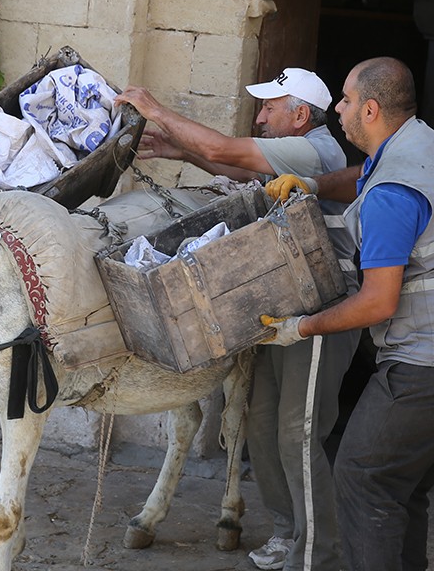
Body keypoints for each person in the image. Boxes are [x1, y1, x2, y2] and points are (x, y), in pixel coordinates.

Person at [259, 57, 434, 571]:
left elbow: (377, 302)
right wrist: (315, 186)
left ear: (369, 109)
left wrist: (299, 327)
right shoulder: (416, 143)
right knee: (400, 489)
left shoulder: (394, 197)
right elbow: (364, 175)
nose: (338, 110)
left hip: (431, 367)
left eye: (345, 101)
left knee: (363, 477)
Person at [117, 67, 358, 571]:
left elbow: (229, 152)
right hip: (286, 302)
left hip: (326, 305)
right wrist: (180, 152)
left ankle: (318, 550)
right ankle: (286, 531)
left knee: (299, 429)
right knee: (263, 421)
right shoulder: (293, 152)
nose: (261, 115)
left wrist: (157, 111)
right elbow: (246, 174)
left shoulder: (314, 149)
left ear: (299, 115)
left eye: (271, 107)